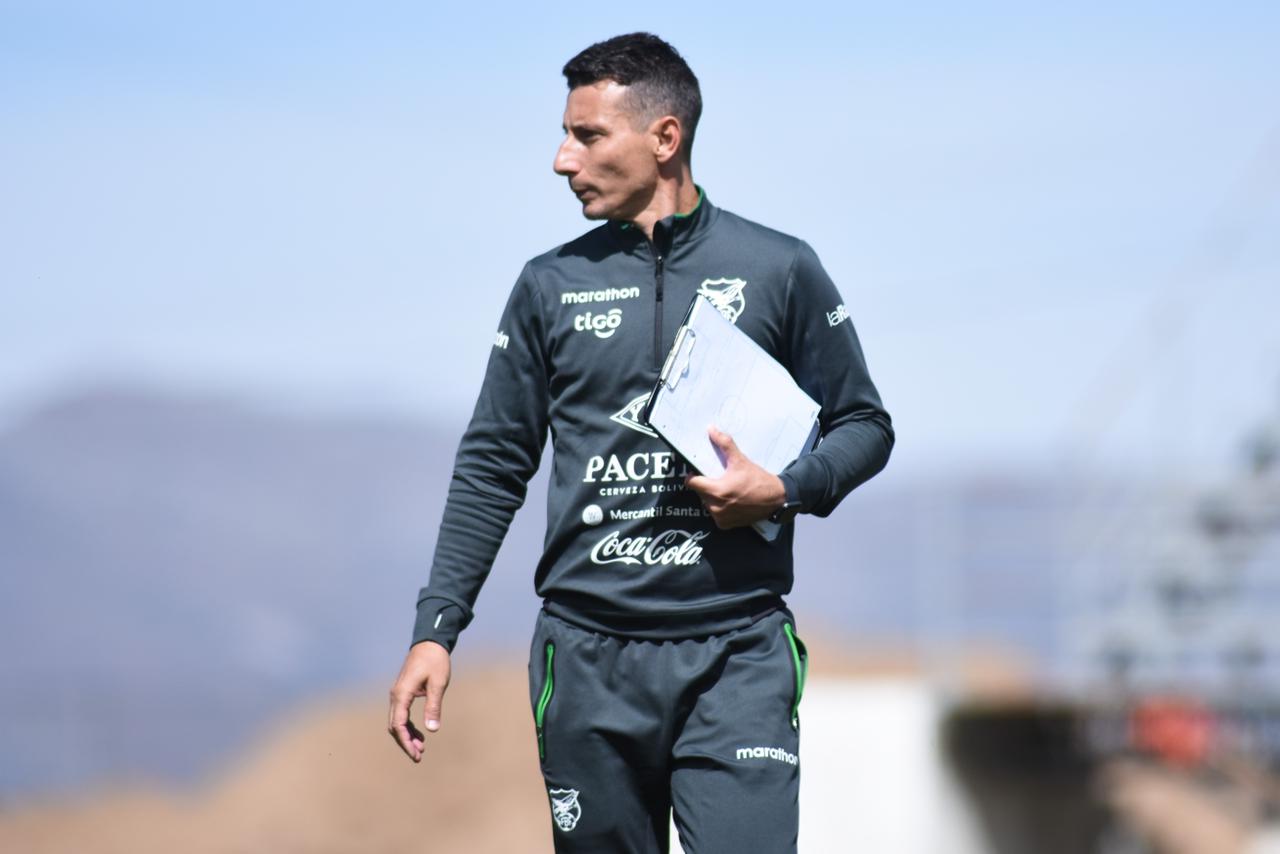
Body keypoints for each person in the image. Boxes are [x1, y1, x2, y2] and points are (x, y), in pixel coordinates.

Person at [388, 32, 893, 854]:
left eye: (587, 135)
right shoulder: (549, 284)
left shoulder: (778, 268)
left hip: (737, 652)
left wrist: (783, 490)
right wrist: (435, 629)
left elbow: (865, 425)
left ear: (665, 137)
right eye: (565, 135)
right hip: (588, 658)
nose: (562, 159)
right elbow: (492, 465)